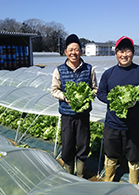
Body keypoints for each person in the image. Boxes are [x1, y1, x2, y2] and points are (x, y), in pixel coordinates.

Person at [97, 36, 139, 184]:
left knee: (134, 157)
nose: (124, 54)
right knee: (110, 155)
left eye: (128, 51)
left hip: (133, 125)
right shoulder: (109, 74)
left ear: (133, 53)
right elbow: (101, 93)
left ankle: (134, 185)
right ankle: (108, 181)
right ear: (116, 53)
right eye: (121, 51)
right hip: (112, 124)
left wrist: (137, 102)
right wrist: (113, 101)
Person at [51, 34, 98, 178]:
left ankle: (80, 175)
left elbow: (95, 89)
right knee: (67, 146)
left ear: (81, 52)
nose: (73, 53)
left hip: (83, 115)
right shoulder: (59, 70)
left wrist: (86, 98)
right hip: (67, 115)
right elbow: (54, 90)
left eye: (76, 49)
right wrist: (64, 96)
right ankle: (69, 175)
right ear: (65, 52)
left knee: (83, 145)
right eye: (70, 50)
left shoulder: (89, 69)